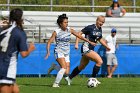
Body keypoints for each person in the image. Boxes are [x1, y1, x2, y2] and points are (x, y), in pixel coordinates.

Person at [45, 14, 96, 87]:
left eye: (67, 22)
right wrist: (48, 52)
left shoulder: (70, 30)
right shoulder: (56, 32)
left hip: (66, 53)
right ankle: (56, 84)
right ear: (60, 24)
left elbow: (79, 36)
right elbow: (49, 42)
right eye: (65, 22)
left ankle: (54, 66)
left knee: (66, 72)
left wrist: (89, 42)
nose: (67, 24)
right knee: (63, 67)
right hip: (58, 51)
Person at [65, 15, 110, 86]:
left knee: (82, 66)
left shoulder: (100, 29)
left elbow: (100, 39)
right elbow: (79, 34)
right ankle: (93, 79)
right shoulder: (90, 27)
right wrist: (76, 44)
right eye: (100, 21)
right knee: (99, 61)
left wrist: (106, 46)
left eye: (103, 22)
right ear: (97, 20)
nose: (101, 23)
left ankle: (69, 78)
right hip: (86, 48)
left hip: (90, 49)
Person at [0, 8, 35, 93]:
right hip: (6, 68)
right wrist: (30, 49)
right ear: (21, 19)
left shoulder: (3, 29)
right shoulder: (19, 32)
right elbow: (24, 54)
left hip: (4, 67)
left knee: (16, 90)